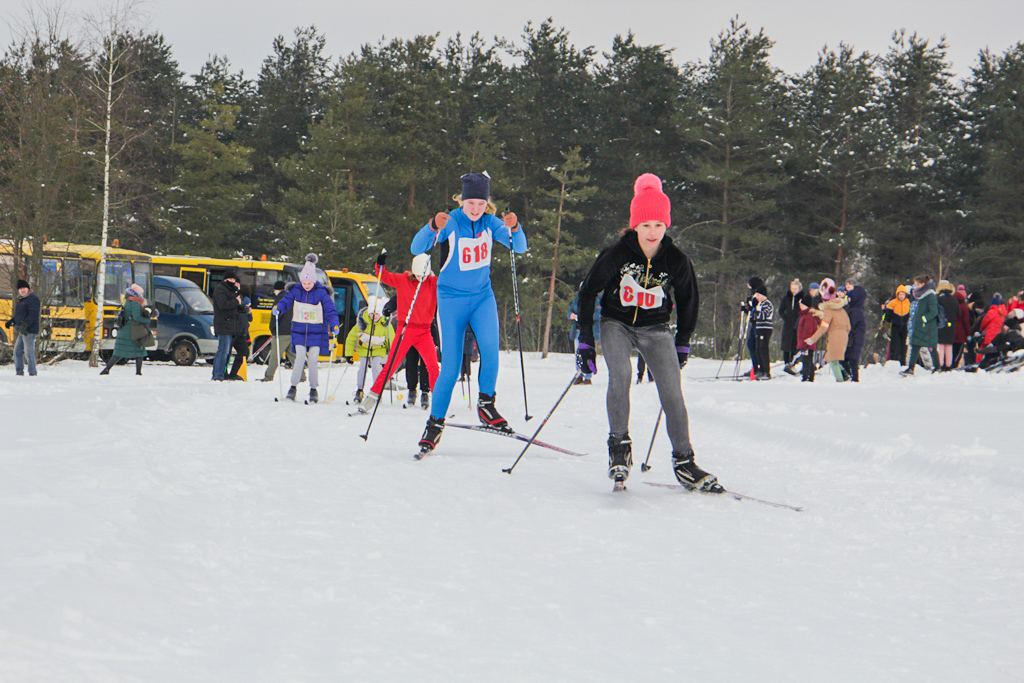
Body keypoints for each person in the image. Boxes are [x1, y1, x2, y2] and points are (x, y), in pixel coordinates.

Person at [575, 173, 721, 492]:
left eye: (658, 225)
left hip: (656, 329)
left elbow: (688, 300)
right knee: (621, 375)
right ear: (635, 225)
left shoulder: (676, 259)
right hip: (617, 324)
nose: (652, 232)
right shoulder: (617, 253)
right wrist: (585, 339)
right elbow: (588, 293)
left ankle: (684, 461)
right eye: (646, 225)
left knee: (671, 391)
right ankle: (619, 448)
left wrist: (682, 342)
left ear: (666, 225)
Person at [411, 171, 528, 454]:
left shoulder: (490, 222)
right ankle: (435, 424)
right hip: (451, 301)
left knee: (490, 350)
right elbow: (417, 248)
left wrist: (515, 228)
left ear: (487, 203)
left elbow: (520, 248)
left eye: (480, 203)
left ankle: (486, 405)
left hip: (481, 298)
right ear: (462, 201)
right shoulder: (452, 221)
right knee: (450, 367)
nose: (475, 209)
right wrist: (430, 226)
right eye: (470, 203)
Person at [358, 252, 439, 414]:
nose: (420, 278)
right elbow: (384, 276)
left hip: (424, 331)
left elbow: (450, 284)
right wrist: (380, 264)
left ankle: (439, 401)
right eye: (417, 275)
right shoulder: (403, 280)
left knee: (433, 366)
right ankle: (371, 398)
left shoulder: (433, 283)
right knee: (391, 365)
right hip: (405, 330)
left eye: (423, 275)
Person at [273, 254, 340, 403]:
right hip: (299, 330)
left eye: (309, 282)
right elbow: (286, 301)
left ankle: (313, 389)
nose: (306, 285)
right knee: (300, 358)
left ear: (314, 280)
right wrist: (278, 308)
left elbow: (330, 310)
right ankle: (292, 387)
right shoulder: (296, 290)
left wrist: (334, 324)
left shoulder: (321, 292)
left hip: (317, 331)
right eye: (304, 282)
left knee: (313, 360)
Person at [344, 296, 393, 404]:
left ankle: (377, 391)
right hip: (364, 349)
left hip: (379, 349)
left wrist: (391, 356)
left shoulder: (385, 325)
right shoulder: (362, 322)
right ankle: (360, 390)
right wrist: (349, 354)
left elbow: (392, 339)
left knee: (376, 367)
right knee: (362, 368)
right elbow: (351, 338)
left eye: (377, 314)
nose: (374, 316)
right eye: (372, 313)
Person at [100, 284, 155, 376]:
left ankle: (107, 369)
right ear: (137, 294)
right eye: (141, 293)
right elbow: (137, 317)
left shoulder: (128, 301)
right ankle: (138, 372)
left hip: (125, 330)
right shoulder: (135, 303)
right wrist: (147, 320)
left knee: (120, 352)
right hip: (132, 332)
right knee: (139, 350)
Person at [806, 278, 851, 382]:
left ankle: (840, 381)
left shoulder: (829, 311)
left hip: (834, 336)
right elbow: (848, 326)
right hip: (844, 336)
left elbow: (823, 327)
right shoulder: (842, 310)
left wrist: (812, 339)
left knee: (833, 360)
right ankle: (845, 374)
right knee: (835, 358)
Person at [900, 275, 939, 376]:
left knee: (932, 347)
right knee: (915, 346)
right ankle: (911, 368)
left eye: (917, 284)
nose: (915, 286)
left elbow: (934, 311)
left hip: (928, 327)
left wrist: (924, 319)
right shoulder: (919, 295)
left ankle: (937, 367)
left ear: (923, 284)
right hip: (919, 326)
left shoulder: (930, 296)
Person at [211, 270, 246, 381]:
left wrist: (240, 306)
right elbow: (223, 305)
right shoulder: (220, 289)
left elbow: (233, 306)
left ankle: (219, 373)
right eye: (230, 279)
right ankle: (218, 375)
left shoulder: (230, 290)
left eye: (233, 279)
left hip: (230, 325)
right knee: (223, 351)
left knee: (224, 351)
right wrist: (236, 302)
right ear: (225, 280)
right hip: (224, 324)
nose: (232, 281)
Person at [261, 281, 296, 382]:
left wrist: (272, 330)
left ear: (277, 290)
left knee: (275, 356)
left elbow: (275, 317)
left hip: (281, 332)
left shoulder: (278, 300)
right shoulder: (292, 299)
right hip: (292, 331)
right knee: (294, 356)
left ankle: (268, 376)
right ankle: (302, 376)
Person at [6, 279, 40, 376]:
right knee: (17, 352)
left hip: (29, 330)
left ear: (28, 289)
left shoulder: (33, 299)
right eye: (20, 289)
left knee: (29, 353)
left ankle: (32, 373)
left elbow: (33, 315)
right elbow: (19, 315)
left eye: (24, 288)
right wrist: (12, 321)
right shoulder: (21, 300)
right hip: (22, 330)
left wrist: (25, 325)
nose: (22, 290)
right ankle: (19, 372)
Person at [568, 285, 601, 385]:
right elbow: (570, 310)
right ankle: (579, 374)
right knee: (578, 353)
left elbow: (598, 314)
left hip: (589, 331)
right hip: (578, 330)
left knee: (588, 352)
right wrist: (571, 315)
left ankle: (587, 376)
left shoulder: (596, 301)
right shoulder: (577, 300)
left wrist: (585, 317)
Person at [842, 278, 868, 381]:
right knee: (847, 358)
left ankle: (853, 377)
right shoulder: (854, 308)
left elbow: (851, 324)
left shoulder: (856, 310)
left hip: (855, 338)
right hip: (853, 337)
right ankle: (850, 376)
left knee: (852, 359)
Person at [225, 295, 253, 380]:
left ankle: (233, 374)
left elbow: (249, 320)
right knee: (226, 353)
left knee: (244, 352)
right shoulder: (238, 309)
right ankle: (223, 373)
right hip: (234, 334)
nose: (249, 307)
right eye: (248, 305)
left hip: (241, 335)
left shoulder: (245, 312)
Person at [750, 283, 774, 379]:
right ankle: (760, 369)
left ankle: (766, 371)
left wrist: (755, 312)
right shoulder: (759, 304)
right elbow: (754, 317)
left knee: (763, 349)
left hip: (765, 329)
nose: (756, 297)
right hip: (759, 328)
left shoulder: (767, 304)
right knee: (758, 349)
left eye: (758, 295)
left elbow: (764, 315)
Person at [882, 285, 911, 365]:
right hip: (895, 326)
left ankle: (903, 361)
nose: (901, 296)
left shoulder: (908, 303)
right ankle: (893, 360)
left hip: (905, 326)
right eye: (900, 294)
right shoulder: (893, 303)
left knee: (903, 344)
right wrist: (886, 324)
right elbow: (888, 316)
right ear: (897, 295)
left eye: (903, 294)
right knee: (895, 343)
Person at [794, 293, 819, 381]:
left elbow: (808, 331)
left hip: (807, 343)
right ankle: (810, 376)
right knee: (808, 360)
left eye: (802, 305)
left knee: (806, 360)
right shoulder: (805, 315)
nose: (800, 306)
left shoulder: (808, 316)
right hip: (806, 342)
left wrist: (805, 342)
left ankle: (806, 376)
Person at [935, 280, 959, 371]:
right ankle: (948, 365)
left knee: (940, 346)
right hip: (951, 325)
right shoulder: (954, 299)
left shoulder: (939, 299)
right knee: (949, 346)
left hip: (941, 324)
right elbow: (958, 313)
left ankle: (940, 364)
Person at [779, 279, 803, 365]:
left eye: (795, 289)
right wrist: (786, 318)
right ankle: (786, 362)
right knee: (786, 344)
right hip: (788, 324)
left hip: (798, 324)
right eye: (792, 288)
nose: (793, 290)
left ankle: (793, 361)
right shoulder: (786, 298)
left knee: (795, 343)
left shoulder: (802, 298)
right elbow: (781, 310)